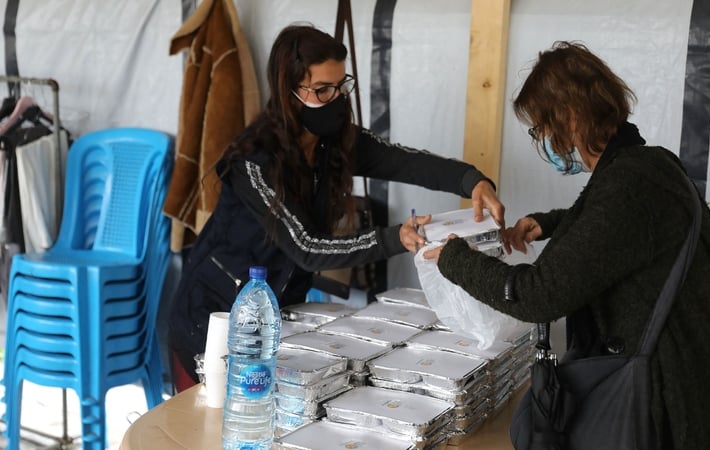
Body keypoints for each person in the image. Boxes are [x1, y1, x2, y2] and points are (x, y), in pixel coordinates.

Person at [424, 41, 710, 449]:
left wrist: (457, 260)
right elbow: (624, 231)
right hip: (690, 384)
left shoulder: (630, 184)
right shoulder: (648, 164)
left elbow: (538, 296)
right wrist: (548, 224)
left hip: (670, 409)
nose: (542, 139)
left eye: (541, 127)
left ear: (570, 116)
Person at [167, 23, 504, 391]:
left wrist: (472, 180)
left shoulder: (334, 142)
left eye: (342, 85)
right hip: (211, 319)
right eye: (322, 90)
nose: (337, 98)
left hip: (275, 313)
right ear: (288, 92)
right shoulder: (255, 162)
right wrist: (396, 238)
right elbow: (308, 248)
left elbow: (403, 161)